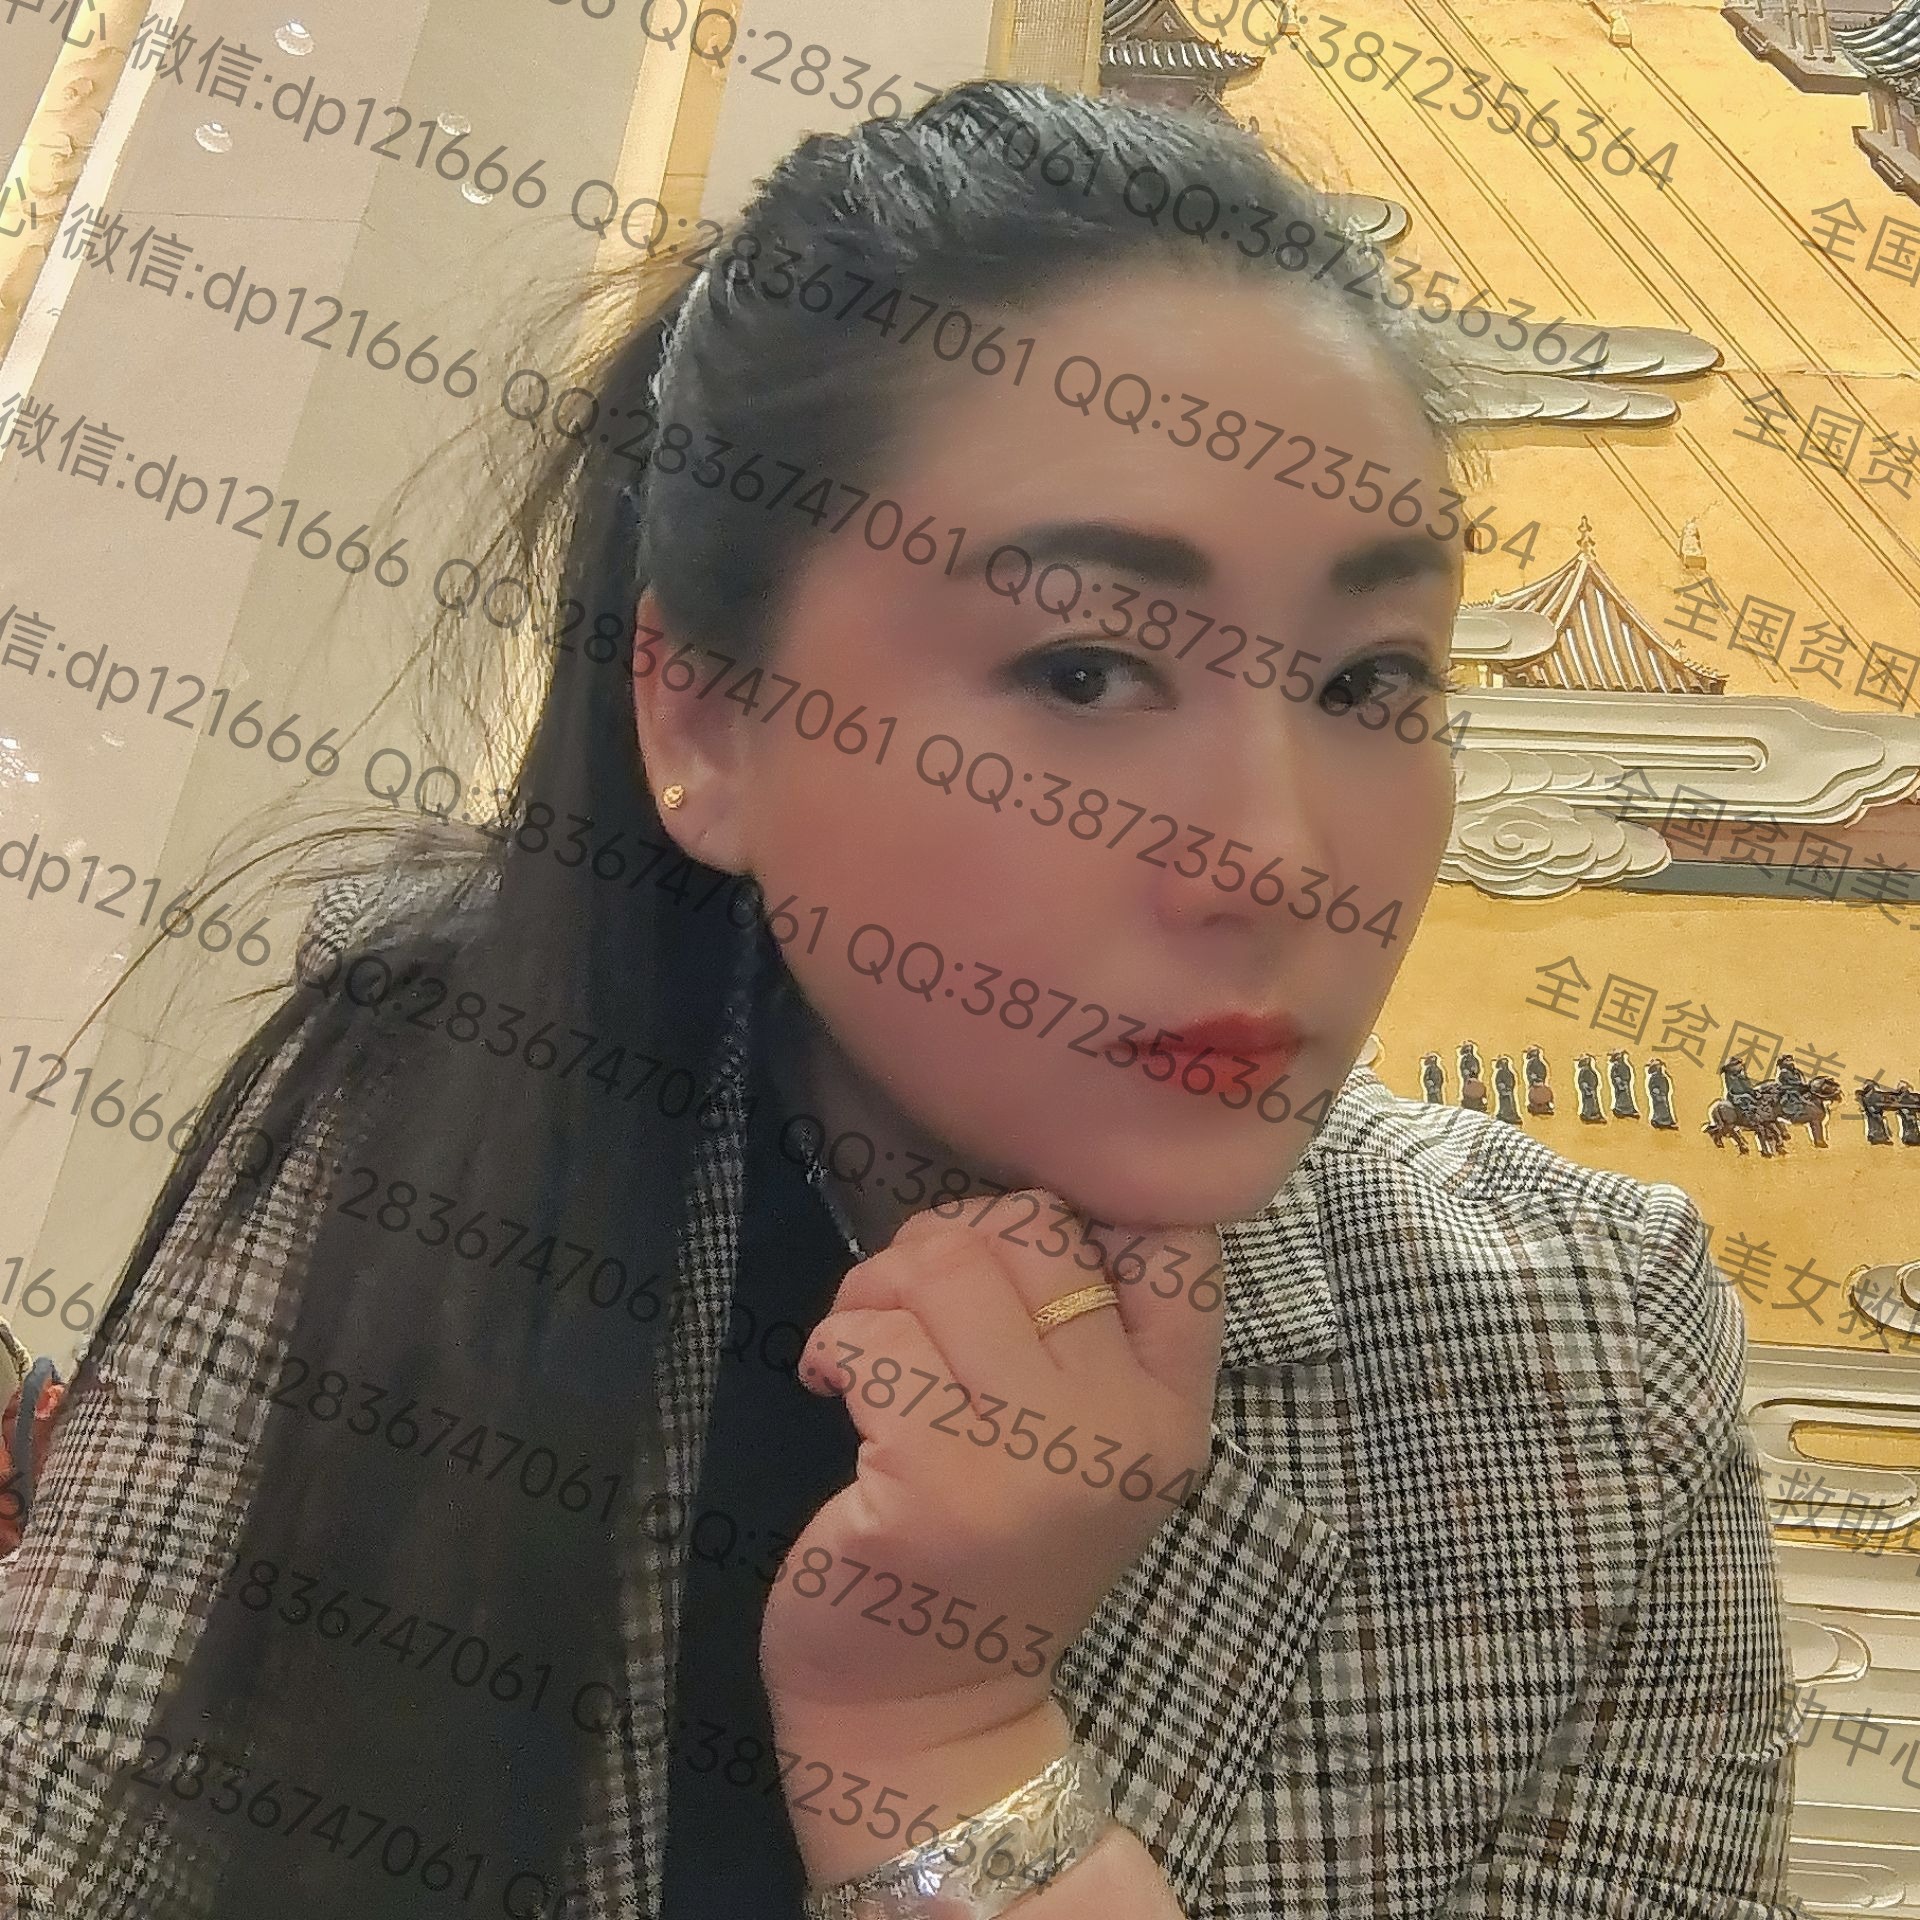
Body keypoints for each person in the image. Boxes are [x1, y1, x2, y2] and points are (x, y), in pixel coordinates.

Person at [0, 79, 1806, 1920]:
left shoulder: (1582, 1367)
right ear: (706, 719)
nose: (1279, 855)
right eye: (1086, 668)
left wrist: (941, 1742)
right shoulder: (407, 1157)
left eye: (1369, 685)